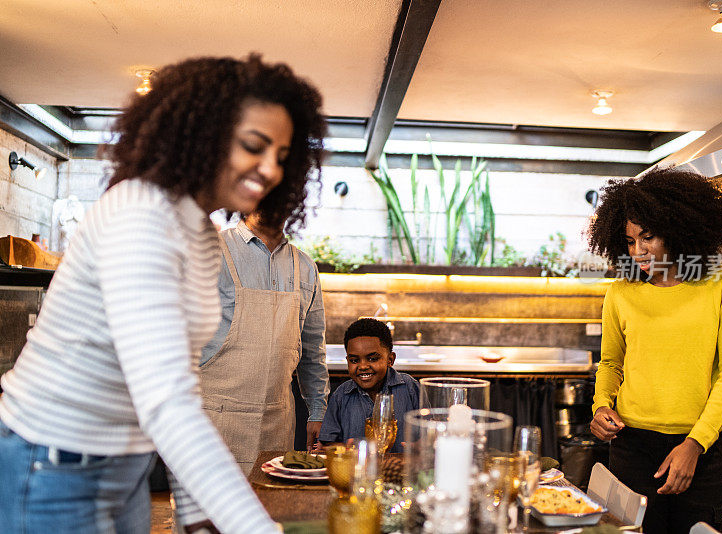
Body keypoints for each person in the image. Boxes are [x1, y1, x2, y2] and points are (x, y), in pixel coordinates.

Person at [0, 54, 325, 534]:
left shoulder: (203, 235)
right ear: (203, 135)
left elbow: (182, 382)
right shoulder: (141, 213)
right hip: (51, 462)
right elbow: (166, 403)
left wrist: (194, 513)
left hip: (125, 464)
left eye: (281, 155)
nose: (272, 169)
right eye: (255, 146)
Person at [587, 168, 722, 534]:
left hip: (700, 450)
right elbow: (611, 363)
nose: (639, 251)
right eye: (629, 241)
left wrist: (696, 443)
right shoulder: (622, 291)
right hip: (631, 447)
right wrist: (600, 405)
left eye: (648, 237)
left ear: (677, 228)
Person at [199, 208, 330, 469]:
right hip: (212, 419)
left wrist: (317, 411)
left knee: (270, 507)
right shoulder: (210, 252)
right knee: (209, 509)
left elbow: (313, 349)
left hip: (276, 422)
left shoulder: (304, 267)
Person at [318, 318, 420, 453]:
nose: (363, 366)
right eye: (354, 360)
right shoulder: (341, 395)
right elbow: (326, 445)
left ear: (390, 360)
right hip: (355, 471)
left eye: (372, 359)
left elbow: (431, 433)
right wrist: (346, 448)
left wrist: (421, 446)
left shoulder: (410, 388)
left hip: (401, 471)